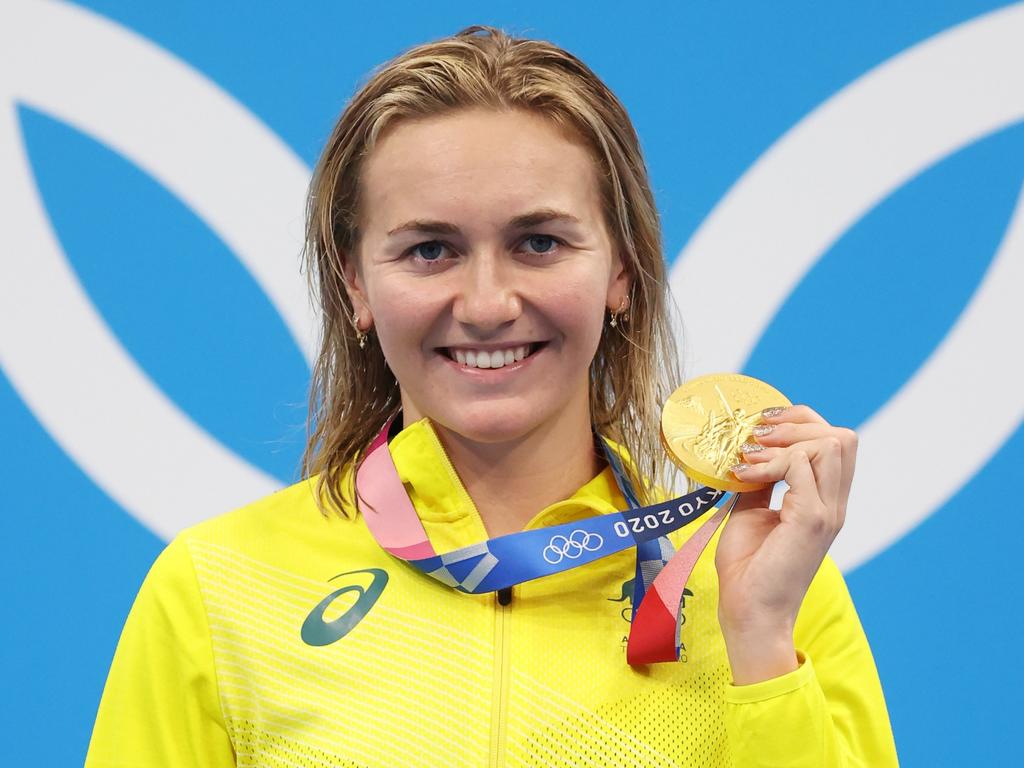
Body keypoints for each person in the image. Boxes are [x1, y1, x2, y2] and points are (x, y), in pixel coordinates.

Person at [85, 26, 899, 767]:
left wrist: (758, 646)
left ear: (620, 269)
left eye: (538, 243)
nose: (485, 303)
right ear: (354, 284)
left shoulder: (768, 586)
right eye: (430, 249)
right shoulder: (219, 587)